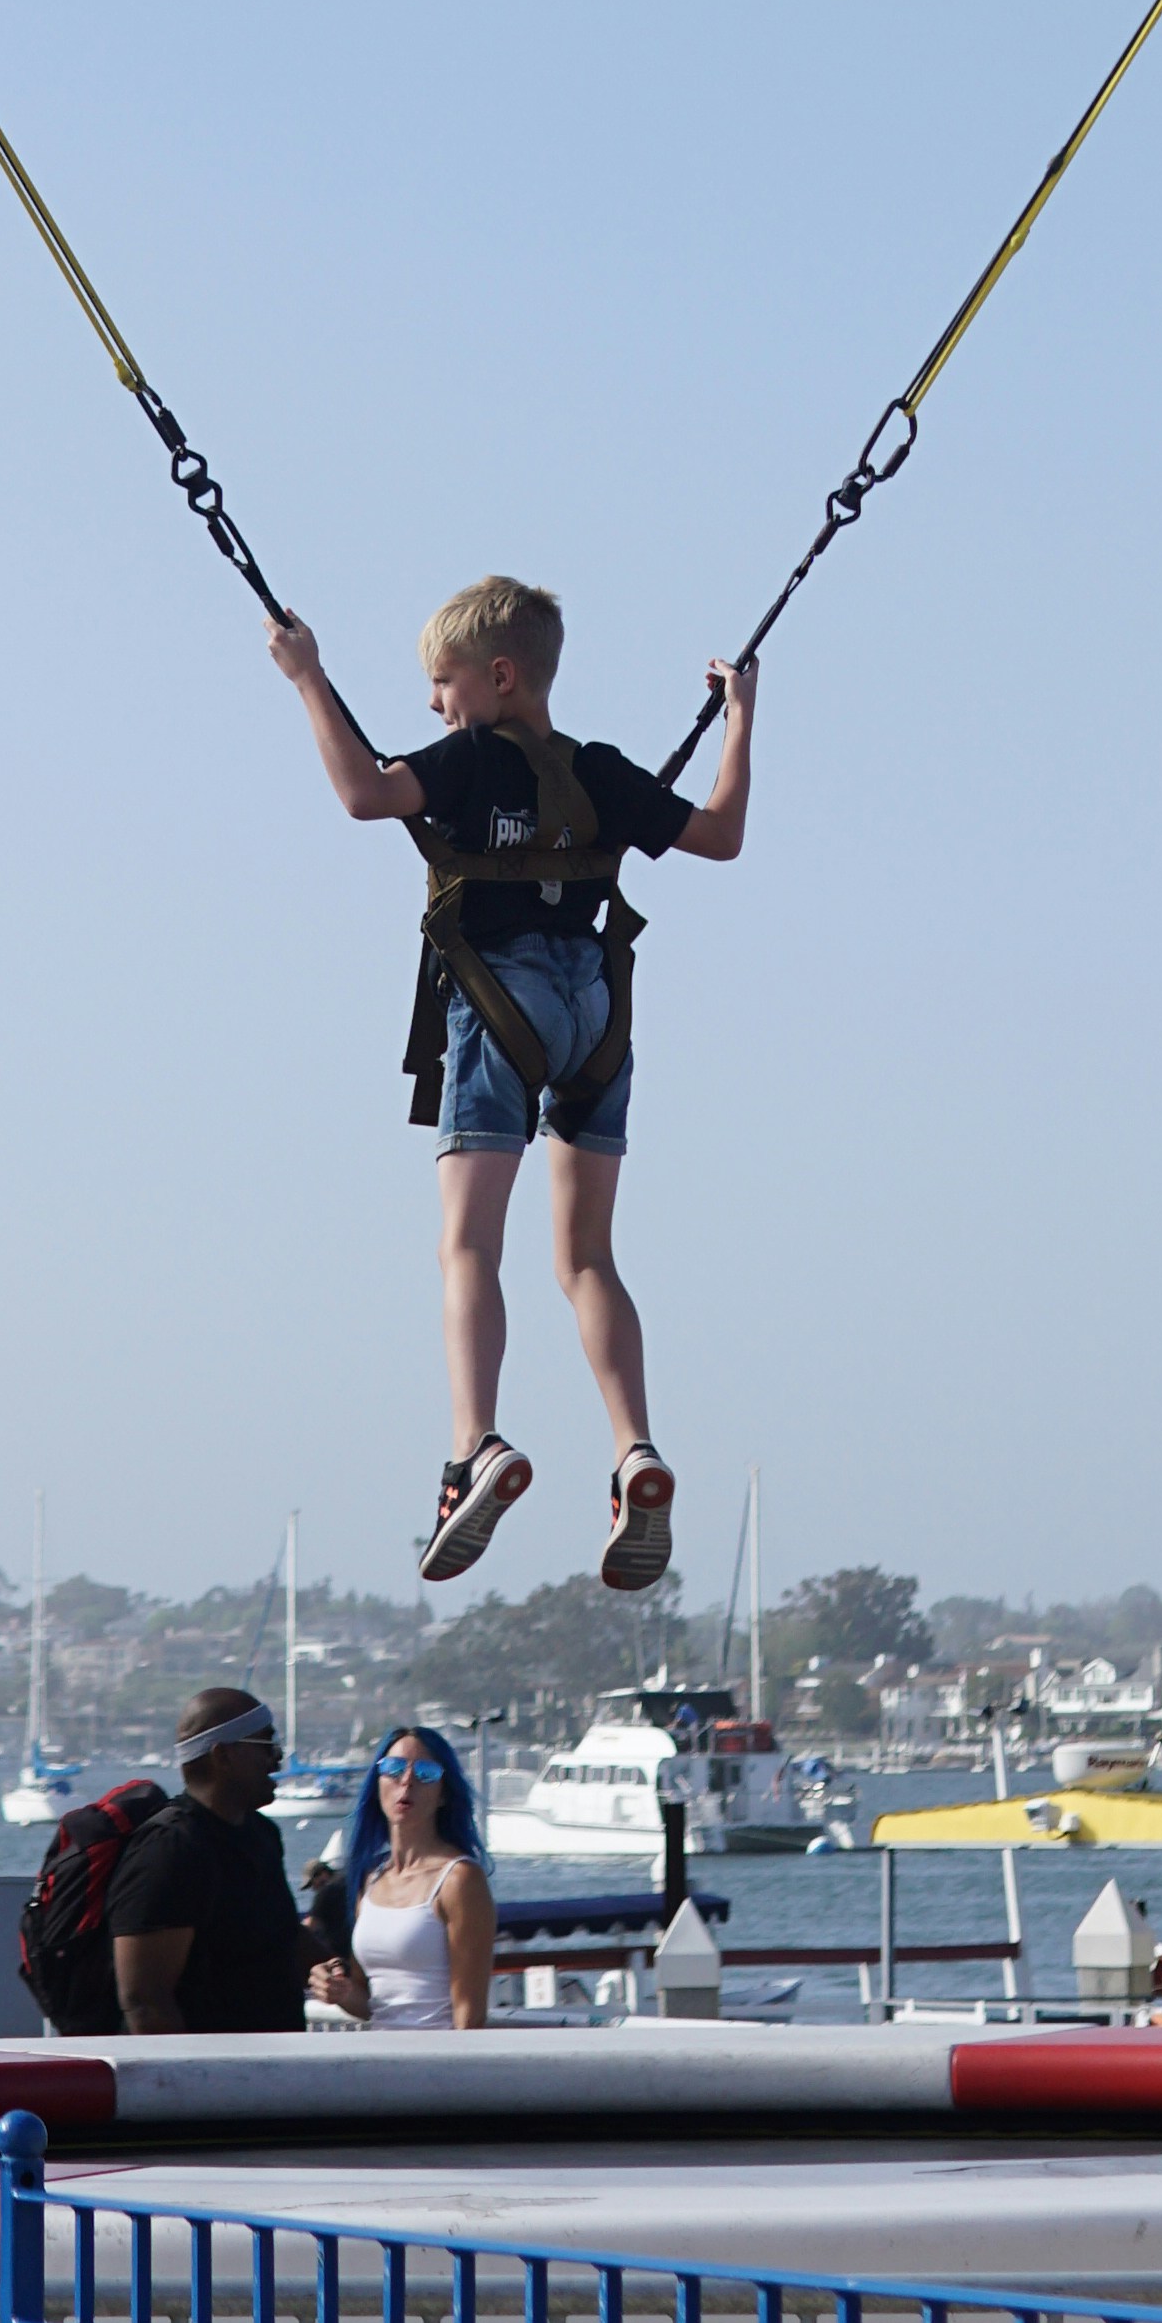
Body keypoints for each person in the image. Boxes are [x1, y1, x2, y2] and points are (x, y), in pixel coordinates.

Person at [265, 571, 756, 1589]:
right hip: (596, 1014)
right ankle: (635, 1451)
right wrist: (738, 720)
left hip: (500, 1005)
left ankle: (474, 1445)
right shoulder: (600, 770)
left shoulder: (466, 762)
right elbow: (718, 836)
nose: (434, 707)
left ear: (495, 678)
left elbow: (363, 794)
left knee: (465, 1246)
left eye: (442, 685)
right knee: (585, 1259)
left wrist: (308, 678)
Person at [105, 1686, 320, 2035]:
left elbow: (281, 1936)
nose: (277, 1758)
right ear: (223, 1756)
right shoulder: (170, 1849)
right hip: (213, 2083)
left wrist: (347, 1972)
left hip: (275, 2073)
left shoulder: (262, 1835)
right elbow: (145, 2001)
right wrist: (188, 2085)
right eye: (266, 1745)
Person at [316, 1721, 498, 2031]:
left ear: (444, 1794)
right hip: (382, 2065)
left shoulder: (459, 1880)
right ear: (377, 1782)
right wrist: (340, 1991)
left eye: (426, 1773)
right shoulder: (370, 1879)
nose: (408, 1779)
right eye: (394, 1767)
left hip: (434, 2066)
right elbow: (372, 2003)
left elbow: (470, 2016)